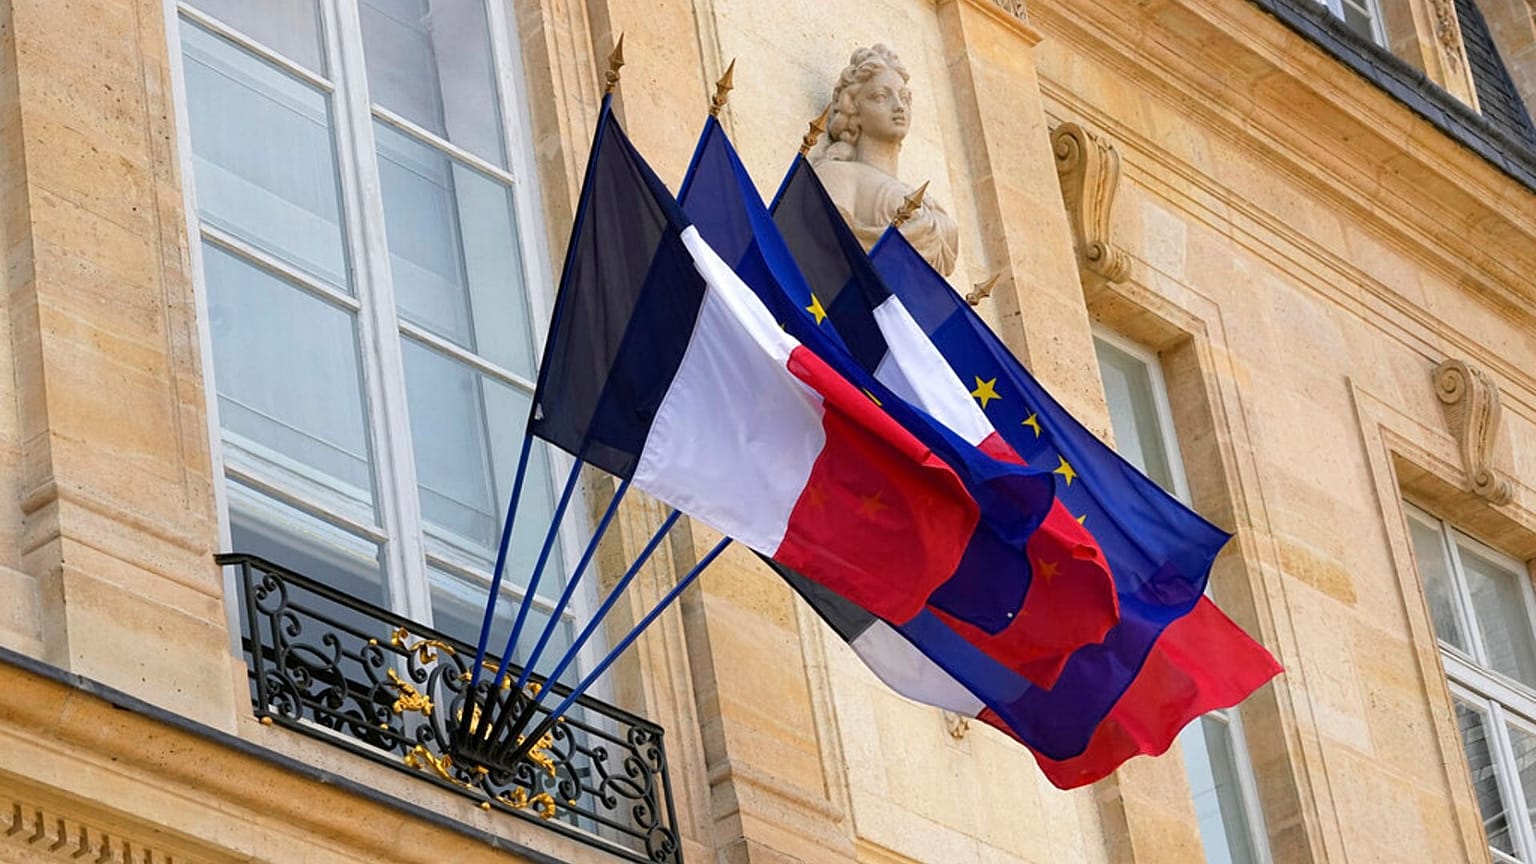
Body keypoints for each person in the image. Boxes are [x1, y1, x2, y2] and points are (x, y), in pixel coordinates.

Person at [814, 44, 959, 276]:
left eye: (904, 97)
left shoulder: (926, 202)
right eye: (881, 96)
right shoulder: (838, 174)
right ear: (853, 109)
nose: (899, 106)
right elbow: (831, 245)